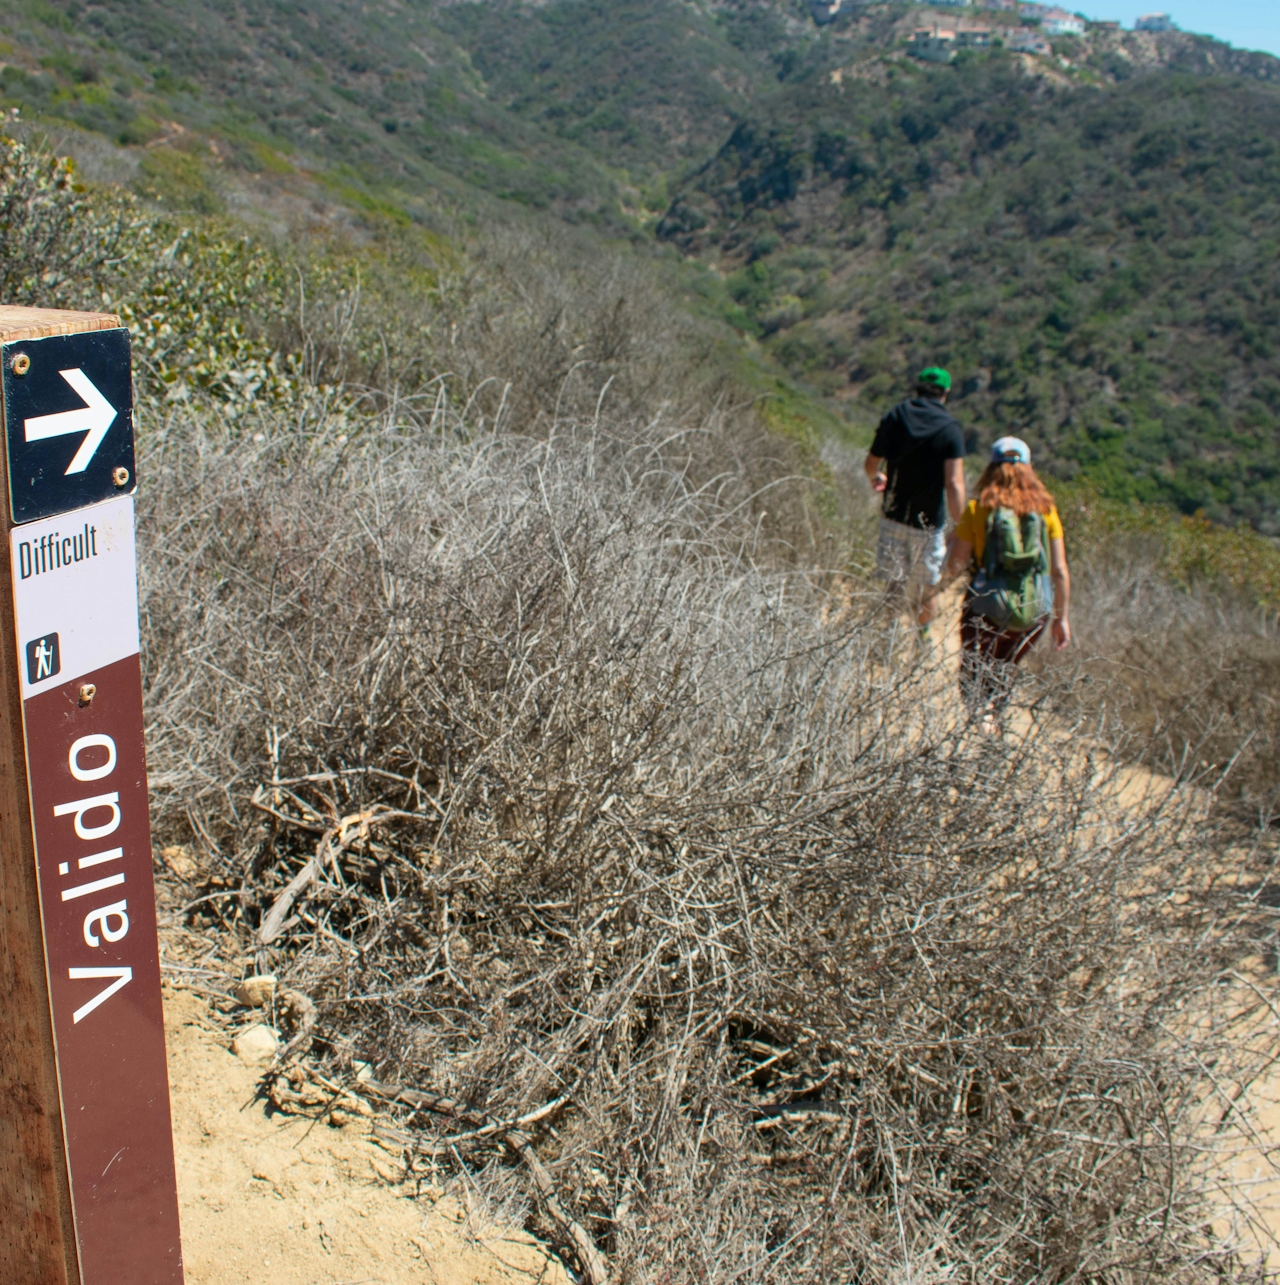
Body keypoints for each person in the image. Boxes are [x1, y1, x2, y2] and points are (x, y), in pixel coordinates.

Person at [943, 436, 1071, 717]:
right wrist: (1061, 618)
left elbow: (956, 563)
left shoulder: (977, 511)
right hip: (1034, 612)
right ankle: (994, 725)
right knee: (1004, 670)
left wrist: (932, 592)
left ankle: (980, 728)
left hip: (985, 608)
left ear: (991, 468)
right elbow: (1059, 570)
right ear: (1029, 469)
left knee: (974, 671)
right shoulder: (1046, 512)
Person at [864, 366, 967, 636]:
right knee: (927, 585)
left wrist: (876, 478)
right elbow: (954, 483)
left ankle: (887, 636)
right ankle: (922, 637)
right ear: (945, 394)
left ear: (917, 389)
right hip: (929, 524)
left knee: (893, 583)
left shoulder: (895, 416)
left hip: (894, 514)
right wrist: (964, 525)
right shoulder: (950, 429)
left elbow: (871, 463)